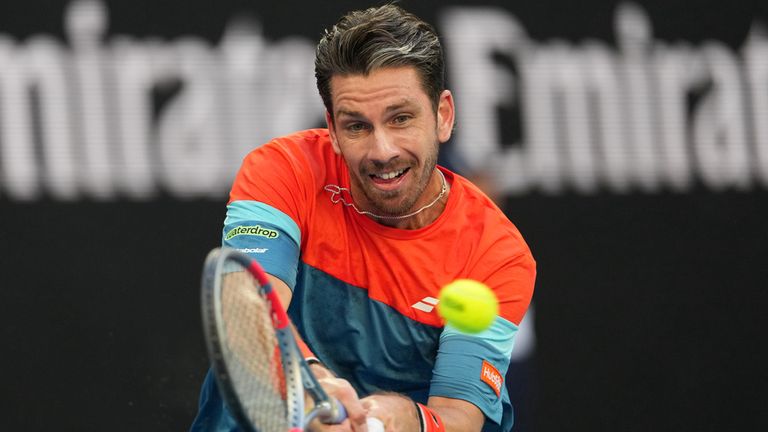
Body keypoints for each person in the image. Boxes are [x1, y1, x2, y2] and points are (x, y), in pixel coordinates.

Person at [191, 4, 535, 432]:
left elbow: (459, 416)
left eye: (401, 118)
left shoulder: (495, 253)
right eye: (357, 127)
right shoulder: (284, 170)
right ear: (332, 130)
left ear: (443, 116)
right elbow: (246, 304)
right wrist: (311, 387)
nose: (383, 150)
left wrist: (403, 419)